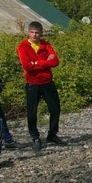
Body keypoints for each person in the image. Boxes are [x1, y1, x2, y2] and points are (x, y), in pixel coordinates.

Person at [17, 21, 65, 151]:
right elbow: (27, 66)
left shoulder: (46, 45)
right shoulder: (23, 47)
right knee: (32, 112)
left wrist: (36, 63)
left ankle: (52, 134)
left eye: (37, 32)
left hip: (47, 82)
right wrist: (45, 62)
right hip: (32, 83)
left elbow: (55, 61)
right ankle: (35, 137)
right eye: (32, 32)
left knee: (55, 108)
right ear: (28, 32)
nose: (34, 35)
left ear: (41, 33)